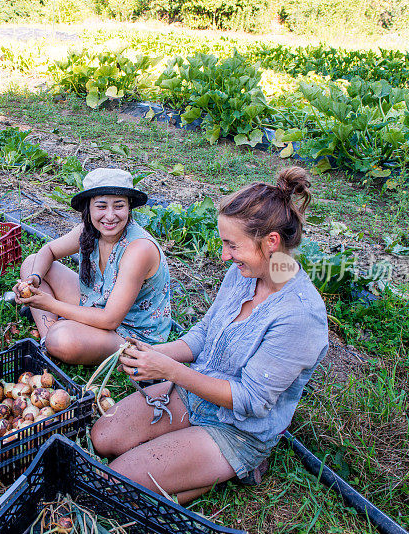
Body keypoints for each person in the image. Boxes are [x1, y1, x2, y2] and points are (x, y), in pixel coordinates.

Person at [91, 166, 329, 503]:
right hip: (197, 392)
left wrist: (170, 371)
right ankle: (188, 462)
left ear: (271, 242)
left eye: (232, 245)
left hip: (237, 428)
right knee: (104, 438)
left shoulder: (300, 316)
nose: (224, 256)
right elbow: (205, 334)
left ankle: (225, 463)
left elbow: (250, 400)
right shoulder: (246, 271)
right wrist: (156, 352)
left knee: (116, 480)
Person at [14, 168, 172, 365]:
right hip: (97, 302)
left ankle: (57, 335)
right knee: (32, 263)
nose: (110, 215)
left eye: (119, 206)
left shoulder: (139, 249)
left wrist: (49, 304)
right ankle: (49, 341)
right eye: (101, 206)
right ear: (89, 208)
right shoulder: (89, 230)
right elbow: (49, 251)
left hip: (129, 332)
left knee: (63, 339)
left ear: (129, 208)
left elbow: (110, 320)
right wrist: (34, 280)